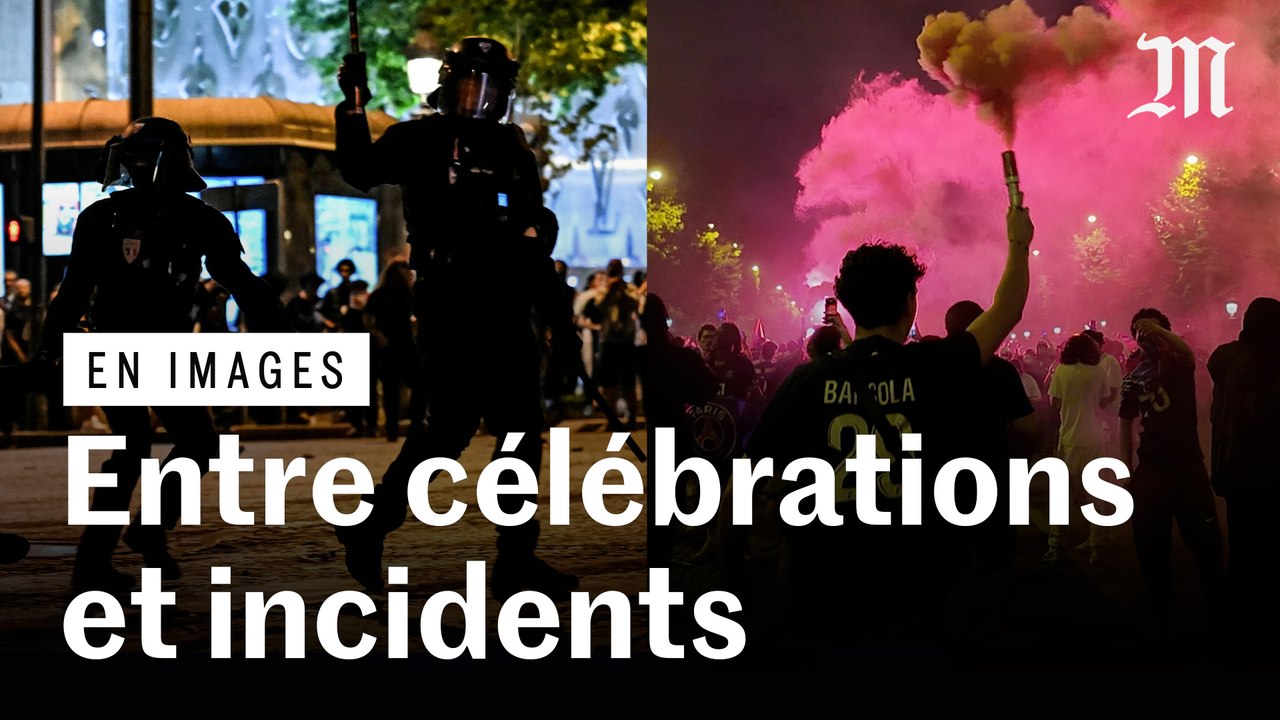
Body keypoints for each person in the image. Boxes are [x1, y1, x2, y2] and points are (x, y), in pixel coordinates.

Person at [332, 37, 580, 599]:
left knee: (522, 433)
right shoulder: (417, 137)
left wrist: (558, 324)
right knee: (446, 432)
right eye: (470, 83)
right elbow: (359, 169)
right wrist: (352, 108)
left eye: (492, 87)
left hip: (508, 302)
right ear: (448, 84)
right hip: (449, 301)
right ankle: (370, 527)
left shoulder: (513, 148)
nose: (480, 98)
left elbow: (534, 238)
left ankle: (516, 558)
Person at [728, 205, 1034, 653]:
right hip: (916, 594)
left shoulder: (806, 381)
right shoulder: (935, 367)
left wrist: (733, 572)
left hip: (821, 597)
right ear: (910, 304)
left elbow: (742, 488)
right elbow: (1006, 309)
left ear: (847, 305)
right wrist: (1019, 241)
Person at [34, 117, 289, 592]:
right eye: (129, 156)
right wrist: (51, 349)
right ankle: (112, 552)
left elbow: (238, 280)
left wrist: (277, 326)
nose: (134, 164)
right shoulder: (112, 217)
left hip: (156, 350)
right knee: (148, 447)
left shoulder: (191, 219)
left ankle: (136, 536)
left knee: (181, 444)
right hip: (124, 347)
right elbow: (73, 292)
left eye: (141, 156)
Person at [1118, 308, 1223, 636]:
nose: (1145, 337)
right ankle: (1162, 613)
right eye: (1139, 332)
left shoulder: (1179, 365)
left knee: (1208, 545)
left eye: (1151, 331)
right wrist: (1126, 469)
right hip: (1151, 468)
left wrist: (1158, 330)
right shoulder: (1134, 375)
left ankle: (1215, 610)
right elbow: (1125, 421)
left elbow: (1187, 353)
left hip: (1188, 465)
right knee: (1151, 547)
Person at [1207, 297, 1280, 648]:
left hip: (1233, 468)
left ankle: (1233, 620)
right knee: (1265, 549)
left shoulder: (1225, 359)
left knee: (1240, 545)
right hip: (1265, 470)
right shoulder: (1267, 363)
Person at [1045, 333, 1110, 565]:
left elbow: (1055, 403)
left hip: (1069, 437)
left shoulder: (1061, 372)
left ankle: (1055, 543)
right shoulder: (1100, 372)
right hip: (1094, 437)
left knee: (1062, 494)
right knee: (1096, 494)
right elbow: (1104, 402)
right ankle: (1096, 545)